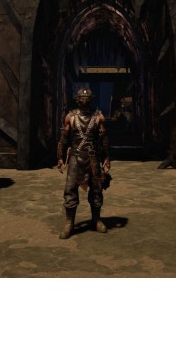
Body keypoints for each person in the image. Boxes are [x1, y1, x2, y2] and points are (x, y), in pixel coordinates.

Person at [56, 87, 111, 239]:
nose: (84, 100)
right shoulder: (70, 117)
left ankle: (96, 219)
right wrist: (60, 157)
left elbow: (104, 139)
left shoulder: (98, 117)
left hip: (93, 158)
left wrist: (107, 158)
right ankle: (69, 222)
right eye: (82, 97)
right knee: (70, 190)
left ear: (91, 100)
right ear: (78, 100)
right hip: (75, 157)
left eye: (87, 98)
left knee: (97, 189)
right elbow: (64, 139)